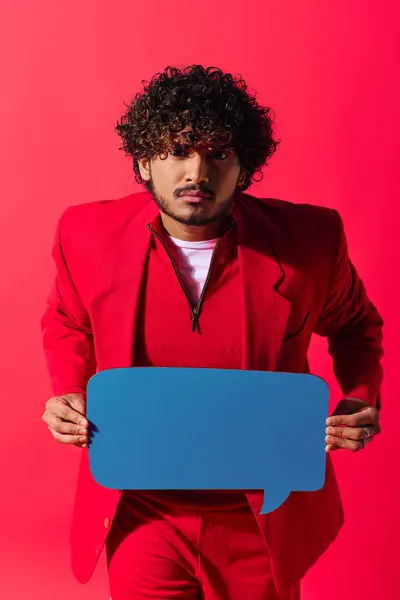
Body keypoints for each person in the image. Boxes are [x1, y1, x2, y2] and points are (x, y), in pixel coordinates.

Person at [40, 65, 383, 600]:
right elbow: (67, 318)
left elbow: (357, 325)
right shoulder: (84, 233)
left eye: (219, 153)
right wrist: (67, 388)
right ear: (144, 161)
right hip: (141, 507)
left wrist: (359, 397)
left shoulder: (311, 242)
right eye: (177, 151)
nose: (196, 171)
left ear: (245, 166)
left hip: (263, 509)